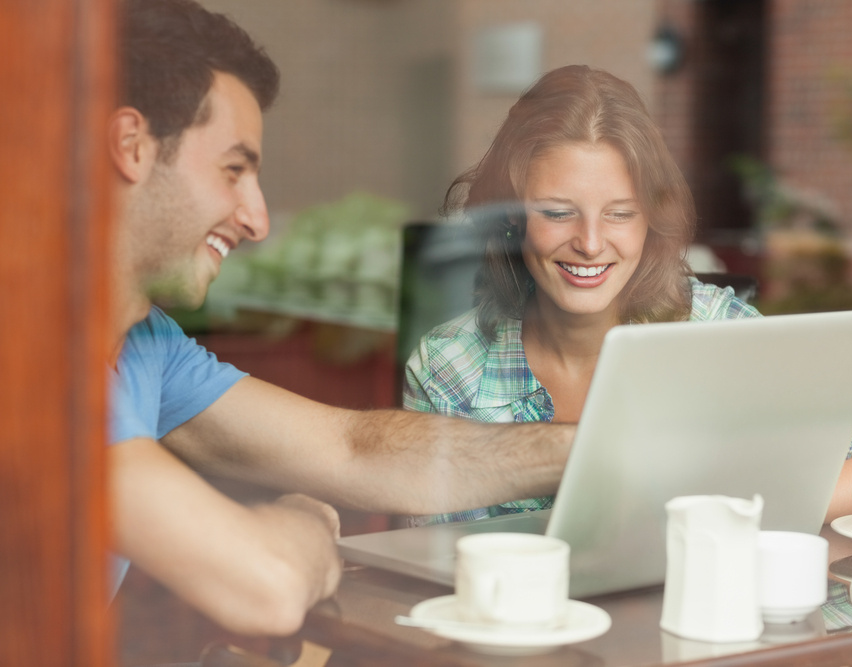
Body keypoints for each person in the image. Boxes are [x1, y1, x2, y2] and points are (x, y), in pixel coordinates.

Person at [109, 0, 573, 637]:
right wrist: (305, 520)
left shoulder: (142, 345)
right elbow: (266, 585)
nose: (257, 220)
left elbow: (351, 449)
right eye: (234, 170)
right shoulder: (29, 359)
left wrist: (587, 449)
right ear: (131, 146)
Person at [403, 64, 852, 525]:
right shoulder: (448, 368)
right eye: (557, 212)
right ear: (512, 218)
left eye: (620, 213)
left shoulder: (716, 329)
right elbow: (432, 560)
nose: (591, 244)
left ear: (650, 223)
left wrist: (720, 514)